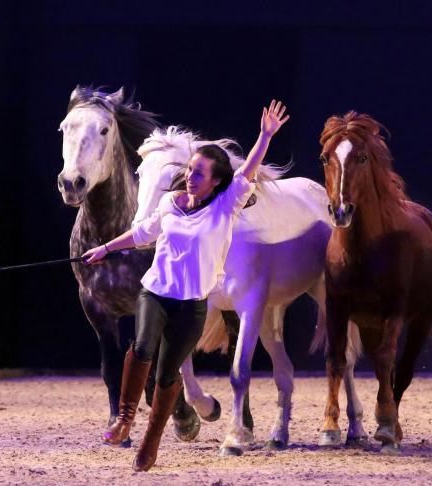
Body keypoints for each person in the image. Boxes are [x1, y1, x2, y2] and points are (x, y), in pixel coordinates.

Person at [83, 100, 290, 471]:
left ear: (215, 182)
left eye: (199, 174)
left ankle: (151, 441)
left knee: (167, 376)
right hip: (156, 292)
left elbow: (249, 173)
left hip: (191, 304)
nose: (191, 177)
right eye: (190, 170)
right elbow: (143, 233)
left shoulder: (227, 206)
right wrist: (106, 248)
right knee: (142, 346)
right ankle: (124, 418)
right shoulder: (169, 203)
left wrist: (265, 136)